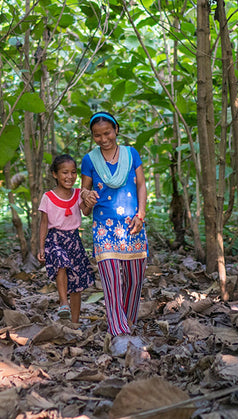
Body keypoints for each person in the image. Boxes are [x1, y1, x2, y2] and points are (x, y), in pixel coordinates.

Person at [79, 112, 148, 350]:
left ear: (116, 129)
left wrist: (141, 214)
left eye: (107, 133)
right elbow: (84, 204)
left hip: (132, 224)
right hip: (103, 227)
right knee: (110, 280)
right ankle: (118, 331)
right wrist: (85, 196)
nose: (103, 139)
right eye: (97, 135)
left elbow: (141, 184)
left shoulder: (132, 154)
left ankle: (128, 323)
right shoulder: (89, 160)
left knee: (134, 279)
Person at [37, 153, 95, 324]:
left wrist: (89, 201)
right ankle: (63, 302)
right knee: (60, 261)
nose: (70, 176)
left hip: (74, 240)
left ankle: (75, 324)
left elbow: (85, 211)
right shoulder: (48, 197)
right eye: (64, 172)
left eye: (73, 172)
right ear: (55, 174)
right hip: (55, 239)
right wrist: (41, 248)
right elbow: (43, 223)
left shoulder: (78, 194)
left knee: (76, 284)